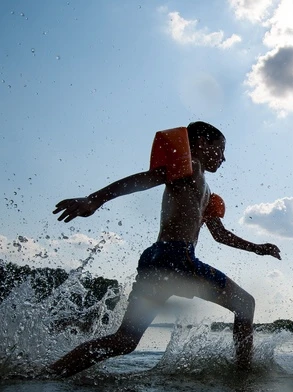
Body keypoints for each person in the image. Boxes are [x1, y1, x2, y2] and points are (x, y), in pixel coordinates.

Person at [48, 121, 281, 377]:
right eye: (220, 149)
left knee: (125, 341)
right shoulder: (188, 168)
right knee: (245, 304)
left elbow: (220, 235)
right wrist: (94, 199)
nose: (224, 158)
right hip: (176, 257)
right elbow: (144, 180)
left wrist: (257, 248)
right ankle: (244, 376)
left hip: (157, 259)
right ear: (202, 143)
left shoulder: (208, 193)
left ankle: (49, 372)